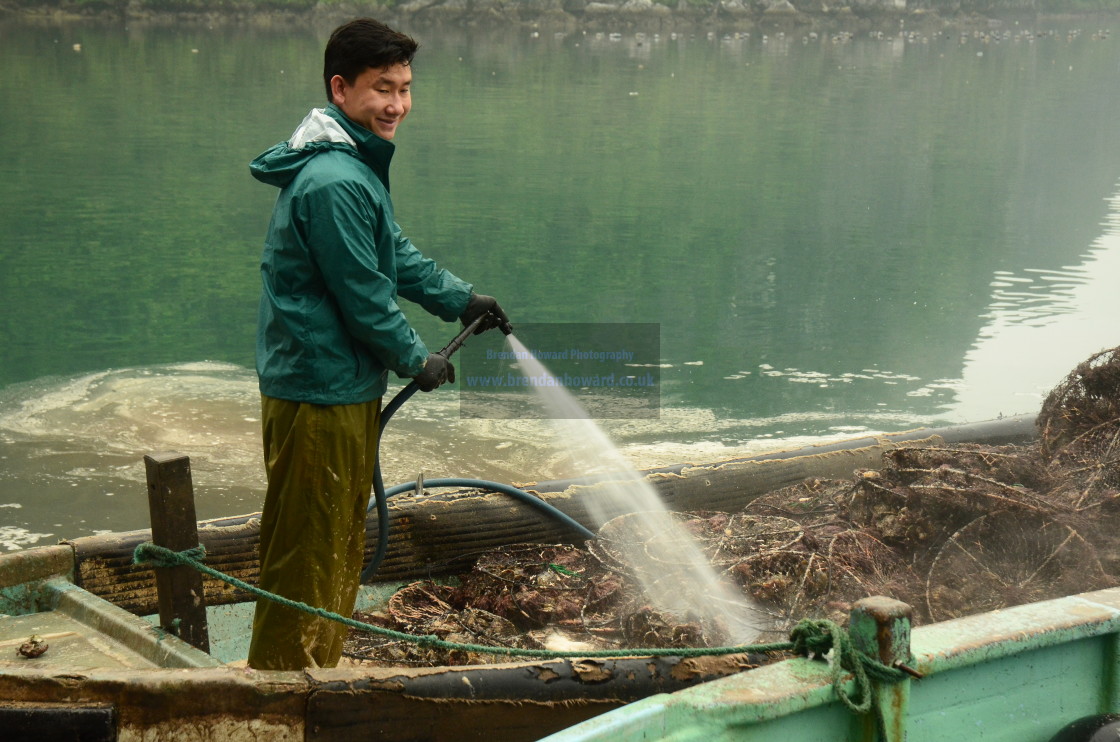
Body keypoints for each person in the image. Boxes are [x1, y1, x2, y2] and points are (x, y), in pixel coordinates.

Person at [246, 17, 508, 670]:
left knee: (332, 546)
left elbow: (390, 253)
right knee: (308, 556)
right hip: (319, 393)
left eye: (405, 87)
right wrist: (414, 358)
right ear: (341, 89)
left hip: (335, 388)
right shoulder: (335, 181)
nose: (397, 105)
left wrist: (459, 298)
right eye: (382, 88)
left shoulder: (349, 166)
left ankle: (315, 676)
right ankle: (282, 691)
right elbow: (363, 294)